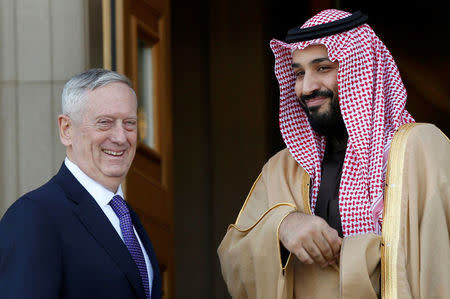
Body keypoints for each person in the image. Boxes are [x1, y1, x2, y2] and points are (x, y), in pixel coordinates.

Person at [218, 9, 449, 299]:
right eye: (299, 74)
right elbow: (233, 259)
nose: (307, 87)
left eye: (323, 68)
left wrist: (346, 259)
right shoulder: (283, 169)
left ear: (361, 71)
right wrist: (283, 226)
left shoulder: (420, 149)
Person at [0, 69, 161, 299]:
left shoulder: (127, 219)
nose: (120, 137)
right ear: (67, 130)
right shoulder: (34, 216)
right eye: (104, 123)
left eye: (129, 123)